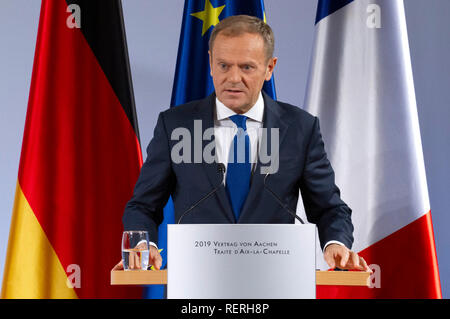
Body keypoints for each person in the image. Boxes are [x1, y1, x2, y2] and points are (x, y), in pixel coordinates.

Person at [117, 15, 370, 273]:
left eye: (246, 67)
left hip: (274, 280)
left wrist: (334, 242)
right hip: (197, 281)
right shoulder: (175, 125)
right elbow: (143, 205)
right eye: (224, 65)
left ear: (269, 68)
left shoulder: (300, 129)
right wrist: (142, 243)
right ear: (210, 64)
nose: (233, 78)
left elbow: (329, 207)